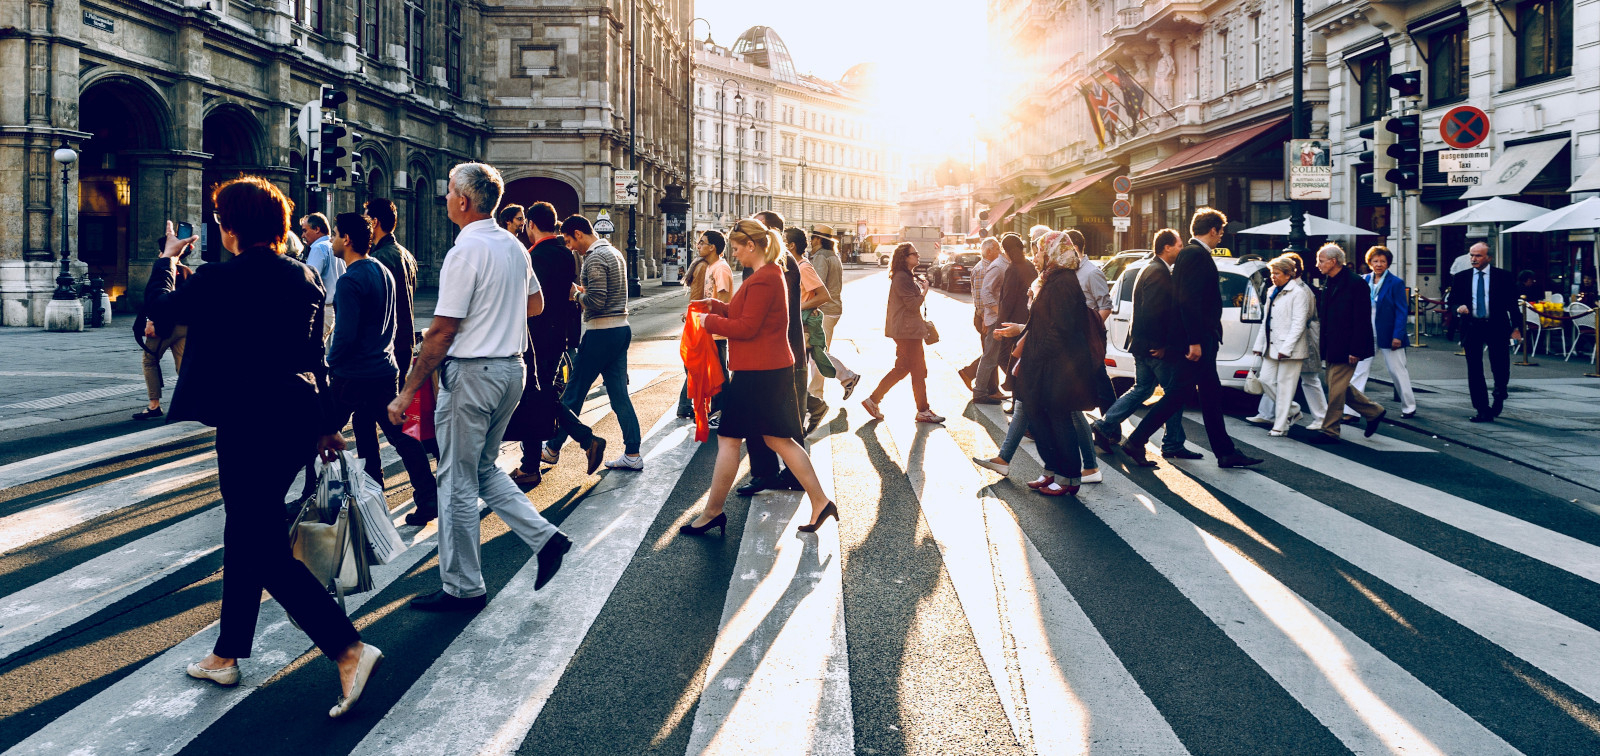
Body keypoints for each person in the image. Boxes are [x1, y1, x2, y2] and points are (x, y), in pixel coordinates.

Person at [145, 179, 380, 718]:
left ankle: (348, 648)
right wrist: (325, 424)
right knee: (247, 530)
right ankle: (226, 652)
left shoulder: (219, 279)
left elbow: (158, 306)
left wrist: (166, 258)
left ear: (230, 228)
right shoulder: (304, 275)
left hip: (248, 421)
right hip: (295, 418)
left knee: (262, 546)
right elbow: (314, 355)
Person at [387, 162, 573, 612]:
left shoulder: (464, 252)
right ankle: (545, 539)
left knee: (454, 481)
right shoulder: (514, 247)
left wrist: (408, 391)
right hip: (511, 370)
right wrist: (497, 315)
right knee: (484, 469)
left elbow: (442, 331)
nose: (445, 196)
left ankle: (462, 587)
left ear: (463, 201)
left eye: (449, 191)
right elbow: (536, 304)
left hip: (472, 374)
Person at [680, 219, 838, 536]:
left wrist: (709, 321)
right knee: (777, 439)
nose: (735, 255)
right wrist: (712, 305)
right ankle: (821, 502)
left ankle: (712, 512)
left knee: (728, 439)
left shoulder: (766, 278)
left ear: (751, 246)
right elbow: (743, 315)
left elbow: (747, 327)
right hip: (766, 369)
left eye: (737, 249)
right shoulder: (766, 275)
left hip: (758, 372)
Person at [1114, 208, 1263, 469]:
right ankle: (1136, 441)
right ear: (1214, 230)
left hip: (1199, 338)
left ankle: (1225, 452)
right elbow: (1189, 301)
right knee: (1179, 393)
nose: (1221, 237)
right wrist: (1194, 340)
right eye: (1221, 232)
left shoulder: (1190, 254)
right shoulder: (1196, 255)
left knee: (1209, 394)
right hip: (1198, 340)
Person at [325, 212, 439, 520]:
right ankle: (427, 496)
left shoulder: (350, 280)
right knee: (400, 435)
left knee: (319, 430)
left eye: (335, 234)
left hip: (351, 374)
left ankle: (308, 496)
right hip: (384, 368)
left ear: (346, 239)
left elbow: (345, 335)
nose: (333, 240)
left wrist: (330, 363)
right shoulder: (381, 270)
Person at [1002, 232, 1104, 496]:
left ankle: (1069, 477)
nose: (1035, 257)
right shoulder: (1050, 279)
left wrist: (1037, 355)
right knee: (1041, 419)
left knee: (1059, 421)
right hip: (1045, 363)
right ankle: (1052, 471)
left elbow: (1060, 328)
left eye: (1039, 251)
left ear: (1053, 253)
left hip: (1059, 366)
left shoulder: (1063, 283)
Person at [540, 214, 645, 470]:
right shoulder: (614, 253)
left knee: (573, 393)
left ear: (578, 233)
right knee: (619, 395)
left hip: (600, 333)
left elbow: (597, 302)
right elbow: (605, 293)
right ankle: (633, 453)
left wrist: (575, 294)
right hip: (620, 328)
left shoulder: (594, 258)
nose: (570, 246)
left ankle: (552, 449)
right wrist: (584, 292)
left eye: (569, 240)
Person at [508, 202, 601, 485]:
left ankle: (535, 463)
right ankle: (536, 461)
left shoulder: (533, 256)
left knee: (535, 396)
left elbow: (530, 302)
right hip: (558, 336)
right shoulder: (565, 254)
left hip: (536, 338)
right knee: (540, 395)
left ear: (531, 225)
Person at [1091, 228, 1195, 458]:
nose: (1181, 249)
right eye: (1179, 245)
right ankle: (1173, 443)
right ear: (1167, 247)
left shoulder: (1148, 267)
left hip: (1140, 343)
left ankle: (1105, 424)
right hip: (1153, 347)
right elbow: (1152, 312)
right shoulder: (1159, 272)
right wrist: (1161, 345)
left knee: (1142, 389)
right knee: (1173, 394)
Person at [736, 210, 811, 496]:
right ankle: (772, 474)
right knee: (768, 419)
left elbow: (757, 312)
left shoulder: (774, 263)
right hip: (775, 349)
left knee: (780, 419)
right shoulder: (774, 261)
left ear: (766, 232)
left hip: (775, 351)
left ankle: (784, 475)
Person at [1309, 243, 1386, 444]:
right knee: (1337, 385)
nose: (1318, 264)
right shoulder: (1330, 281)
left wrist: (1355, 349)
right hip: (1333, 343)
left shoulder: (1355, 283)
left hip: (1347, 345)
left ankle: (1330, 430)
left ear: (1333, 262)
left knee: (1335, 390)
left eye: (1321, 260)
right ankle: (1374, 411)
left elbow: (1361, 319)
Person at [860, 243, 944, 424]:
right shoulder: (901, 278)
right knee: (919, 370)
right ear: (905, 257)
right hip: (906, 332)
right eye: (915, 254)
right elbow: (913, 305)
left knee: (903, 368)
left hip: (907, 330)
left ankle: (873, 400)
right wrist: (924, 291)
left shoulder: (905, 276)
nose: (918, 256)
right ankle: (923, 410)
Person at [1447, 241, 1520, 422]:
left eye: (1478, 256)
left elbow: (1513, 305)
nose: (1473, 259)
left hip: (1496, 325)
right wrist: (1458, 308)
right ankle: (1481, 408)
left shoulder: (1503, 277)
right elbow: (1452, 302)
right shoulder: (1461, 277)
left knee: (1500, 365)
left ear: (1489, 257)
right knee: (1474, 369)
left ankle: (1500, 392)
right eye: (1471, 255)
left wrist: (1517, 328)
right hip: (1472, 327)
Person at [1347, 246, 1417, 419]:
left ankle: (1409, 406)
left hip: (1389, 334)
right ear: (1369, 262)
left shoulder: (1396, 283)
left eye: (1382, 261)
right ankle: (1351, 410)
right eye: (1375, 261)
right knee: (1359, 371)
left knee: (1397, 371)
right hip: (1366, 333)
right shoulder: (1363, 280)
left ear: (1388, 263)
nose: (1378, 264)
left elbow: (1402, 311)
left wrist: (1398, 335)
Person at [1251, 254, 1315, 436]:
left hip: (1290, 350)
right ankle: (1293, 410)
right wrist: (1259, 345)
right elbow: (1266, 322)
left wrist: (1286, 349)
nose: (1273, 276)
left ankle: (1280, 426)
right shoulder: (1273, 291)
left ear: (1288, 275)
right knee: (1266, 380)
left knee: (1286, 386)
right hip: (1271, 346)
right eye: (1272, 273)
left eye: (1277, 273)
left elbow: (1299, 324)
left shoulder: (1299, 293)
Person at [677, 230, 734, 423]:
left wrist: (713, 322)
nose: (698, 245)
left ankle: (722, 411)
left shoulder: (721, 268)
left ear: (713, 247)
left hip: (716, 330)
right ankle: (717, 410)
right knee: (713, 371)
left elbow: (724, 301)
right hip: (710, 329)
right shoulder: (711, 267)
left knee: (719, 372)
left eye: (702, 242)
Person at [804, 223, 862, 411]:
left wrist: (810, 306)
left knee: (818, 353)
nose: (810, 242)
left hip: (823, 309)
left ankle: (843, 379)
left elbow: (816, 286)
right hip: (833, 308)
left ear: (819, 239)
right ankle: (818, 392)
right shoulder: (833, 256)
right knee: (817, 352)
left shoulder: (820, 257)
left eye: (812, 238)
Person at [134, 234, 192, 420]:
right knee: (183, 367)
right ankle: (190, 404)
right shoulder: (188, 273)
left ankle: (154, 405)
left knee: (149, 361)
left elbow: (155, 299)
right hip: (184, 327)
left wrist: (150, 321)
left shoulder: (162, 271)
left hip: (163, 327)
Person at [365, 199, 419, 386]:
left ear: (375, 222)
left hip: (386, 345)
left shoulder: (378, 258)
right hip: (405, 341)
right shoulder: (406, 254)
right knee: (394, 404)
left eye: (366, 218)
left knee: (373, 407)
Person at [965, 236, 1008, 403]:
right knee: (990, 354)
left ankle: (992, 389)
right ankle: (980, 387)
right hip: (985, 316)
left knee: (992, 353)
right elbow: (980, 296)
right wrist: (984, 317)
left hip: (989, 315)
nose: (1000, 251)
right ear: (989, 251)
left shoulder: (991, 266)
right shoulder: (983, 269)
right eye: (997, 248)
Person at [301, 212, 344, 342]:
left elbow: (310, 282)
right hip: (336, 308)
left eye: (305, 230)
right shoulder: (335, 246)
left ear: (317, 229)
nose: (303, 235)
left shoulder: (318, 248)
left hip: (324, 310)